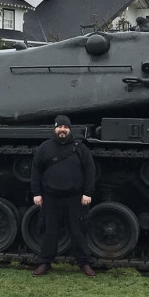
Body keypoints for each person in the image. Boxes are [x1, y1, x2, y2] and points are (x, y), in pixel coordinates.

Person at [30, 114, 97, 277]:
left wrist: (87, 192)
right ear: (55, 129)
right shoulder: (45, 148)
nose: (62, 130)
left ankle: (84, 262)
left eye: (65, 127)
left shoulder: (80, 148)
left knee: (77, 231)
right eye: (60, 127)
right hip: (50, 196)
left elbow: (90, 170)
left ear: (69, 129)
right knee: (50, 231)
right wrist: (36, 193)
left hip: (74, 196)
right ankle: (45, 262)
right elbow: (36, 171)